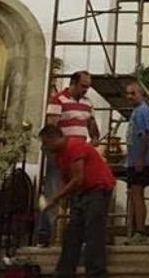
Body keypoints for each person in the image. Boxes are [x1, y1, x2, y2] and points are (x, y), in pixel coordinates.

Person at [39, 125, 115, 278]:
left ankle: (96, 273)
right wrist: (63, 200)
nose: (44, 147)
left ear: (53, 138)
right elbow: (64, 178)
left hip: (97, 189)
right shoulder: (60, 155)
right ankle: (64, 272)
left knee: (93, 232)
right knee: (72, 233)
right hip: (81, 193)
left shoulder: (74, 146)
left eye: (46, 143)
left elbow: (77, 178)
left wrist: (55, 197)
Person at [36, 71, 101, 247]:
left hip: (79, 155)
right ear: (73, 83)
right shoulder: (58, 99)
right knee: (54, 190)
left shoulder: (88, 103)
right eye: (83, 86)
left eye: (88, 87)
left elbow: (92, 126)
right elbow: (52, 129)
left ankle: (70, 234)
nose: (86, 90)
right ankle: (46, 234)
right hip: (61, 154)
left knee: (76, 193)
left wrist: (94, 137)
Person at [124, 80, 149, 245]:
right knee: (136, 195)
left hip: (139, 161)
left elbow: (144, 136)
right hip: (134, 159)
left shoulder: (142, 111)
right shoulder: (137, 111)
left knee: (137, 195)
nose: (129, 96)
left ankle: (140, 231)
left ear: (141, 94)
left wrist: (141, 159)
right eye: (128, 93)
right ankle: (138, 230)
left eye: (133, 93)